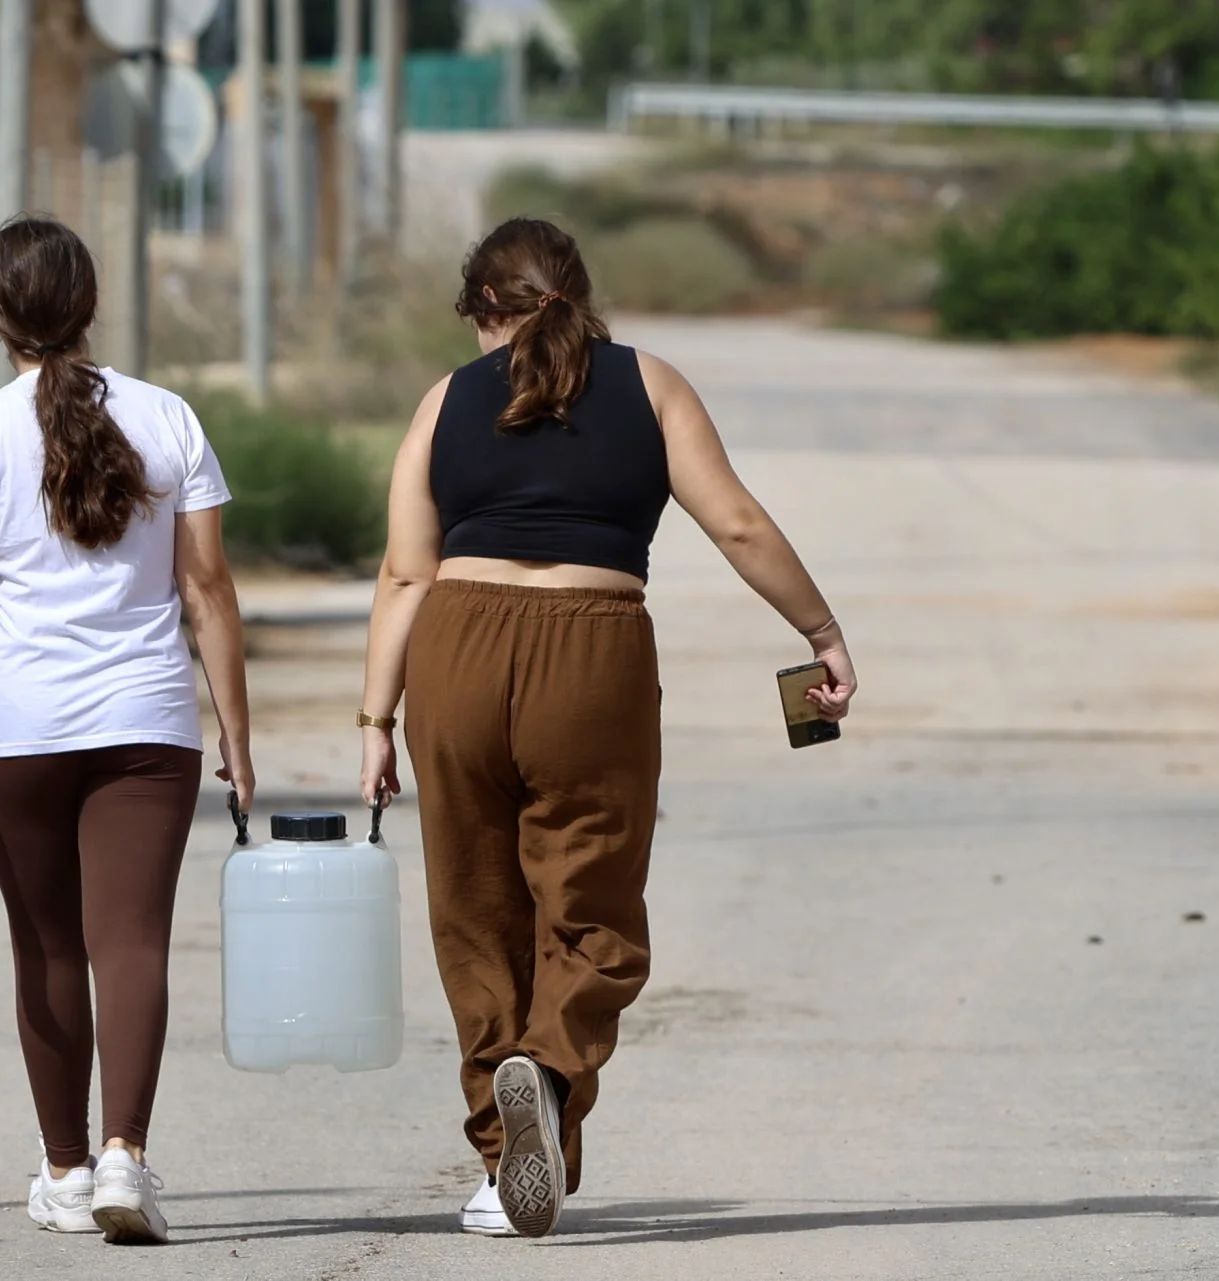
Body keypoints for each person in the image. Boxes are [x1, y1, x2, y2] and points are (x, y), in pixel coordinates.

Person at [357, 218, 857, 1238]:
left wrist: (376, 717)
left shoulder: (444, 399)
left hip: (453, 647)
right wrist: (820, 629)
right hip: (593, 652)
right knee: (590, 907)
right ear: (578, 296)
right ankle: (544, 1069)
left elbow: (406, 573)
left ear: (484, 310)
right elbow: (738, 524)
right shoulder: (652, 384)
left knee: (476, 912)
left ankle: (507, 1167)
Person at [0, 215, 254, 1245]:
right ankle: (128, 1156)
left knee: (46, 948)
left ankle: (65, 1169)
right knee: (131, 943)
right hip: (150, 724)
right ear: (90, 305)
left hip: (21, 732)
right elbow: (209, 589)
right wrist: (237, 731)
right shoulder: (168, 417)